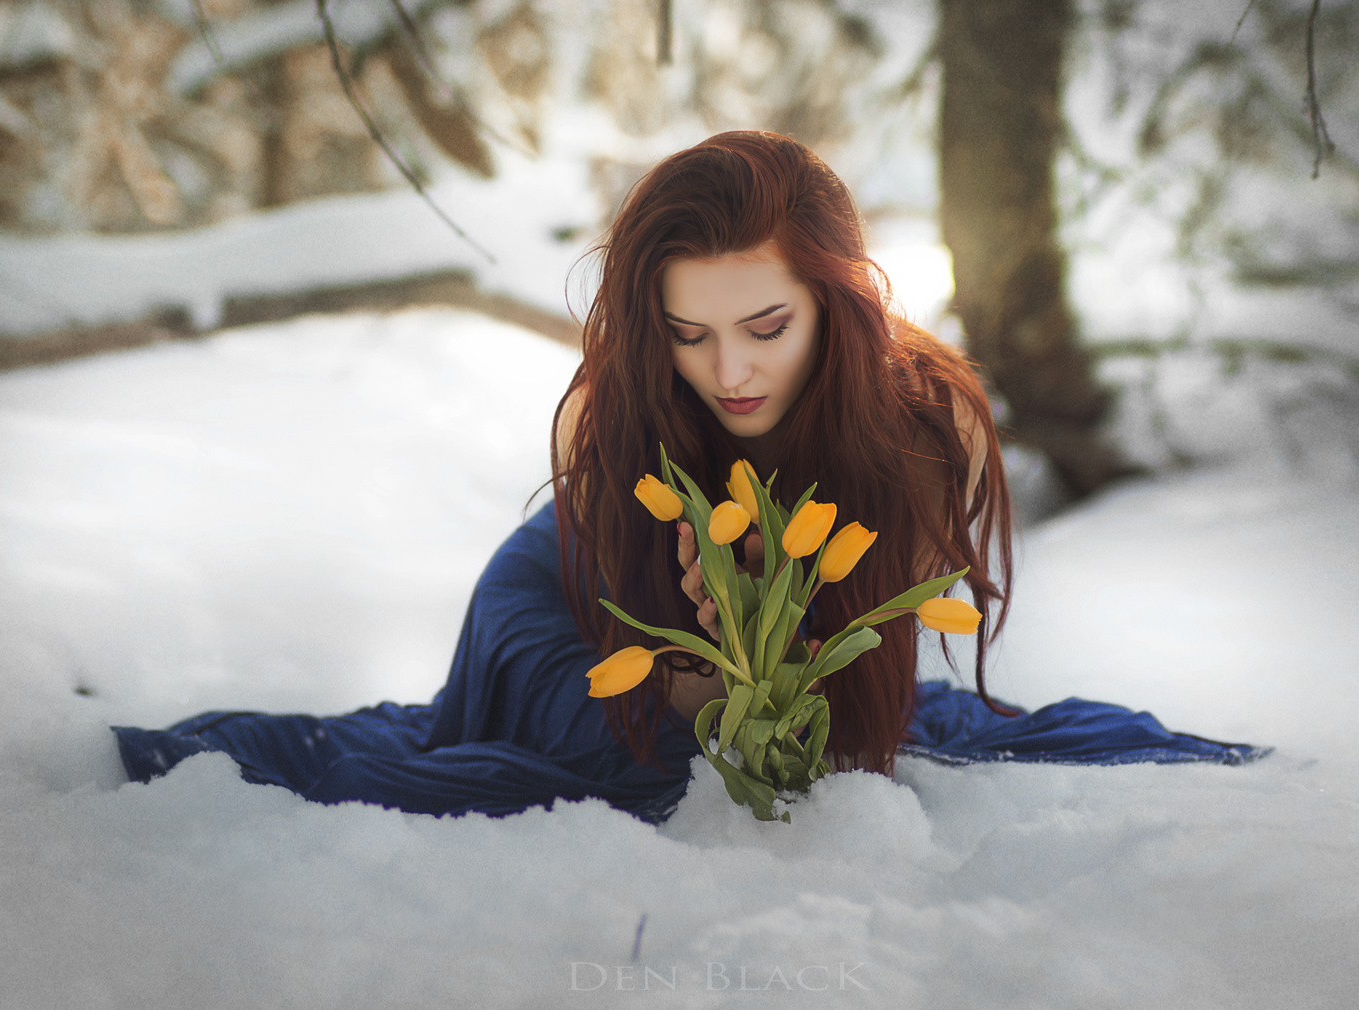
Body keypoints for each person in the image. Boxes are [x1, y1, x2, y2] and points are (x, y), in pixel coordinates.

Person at [114, 132, 1266, 822]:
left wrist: (773, 629)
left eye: (766, 324)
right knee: (633, 775)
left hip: (771, 649)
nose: (728, 370)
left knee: (801, 767)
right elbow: (633, 610)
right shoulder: (621, 409)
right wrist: (696, 665)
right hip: (575, 604)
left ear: (839, 301)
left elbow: (845, 701)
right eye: (687, 332)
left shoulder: (922, 429)